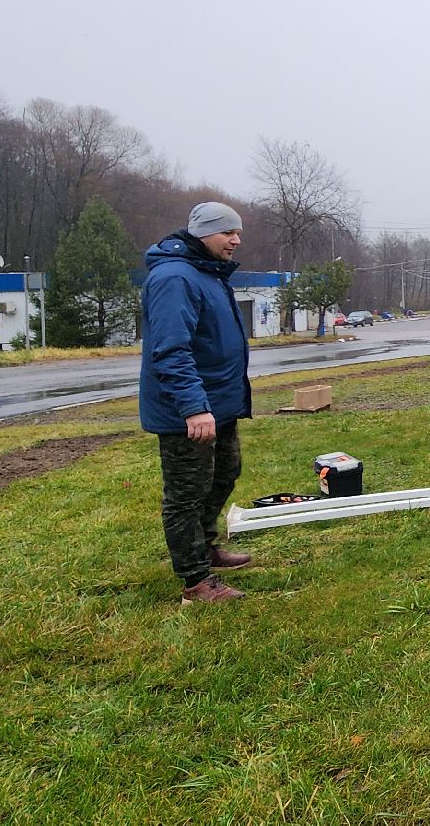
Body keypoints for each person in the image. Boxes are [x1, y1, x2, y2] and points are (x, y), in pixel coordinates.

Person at [140, 201, 255, 605]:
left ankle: (205, 548)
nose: (236, 240)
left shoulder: (207, 273)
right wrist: (192, 406)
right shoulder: (175, 278)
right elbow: (171, 349)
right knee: (186, 494)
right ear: (203, 233)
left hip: (217, 405)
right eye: (228, 233)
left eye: (237, 232)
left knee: (225, 473)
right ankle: (195, 581)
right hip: (187, 411)